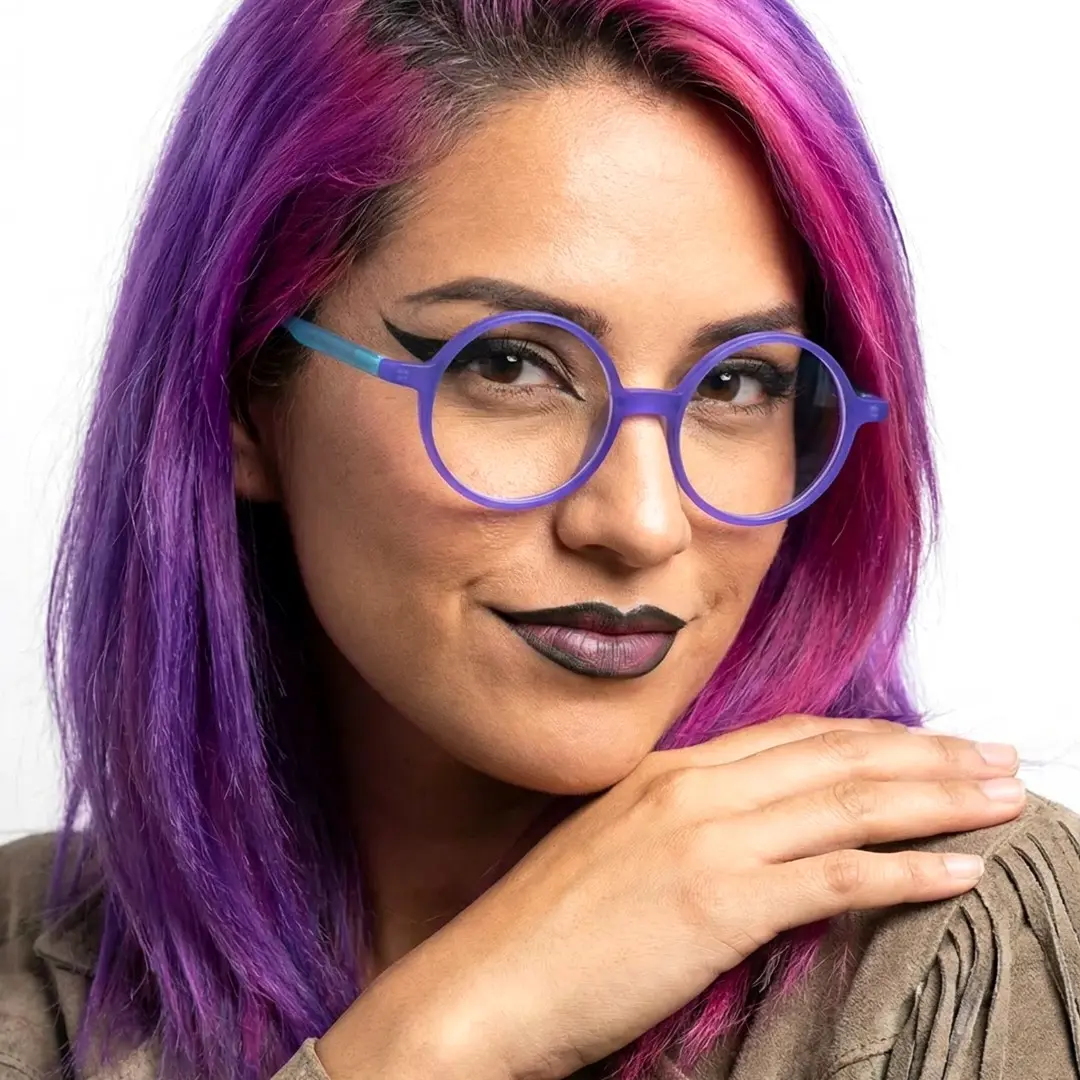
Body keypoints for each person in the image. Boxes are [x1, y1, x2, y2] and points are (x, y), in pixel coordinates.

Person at [2, 0, 1078, 1078]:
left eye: (740, 382)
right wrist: (439, 1040)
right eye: (511, 365)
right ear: (239, 390)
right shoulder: (23, 977)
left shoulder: (940, 936)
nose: (642, 522)